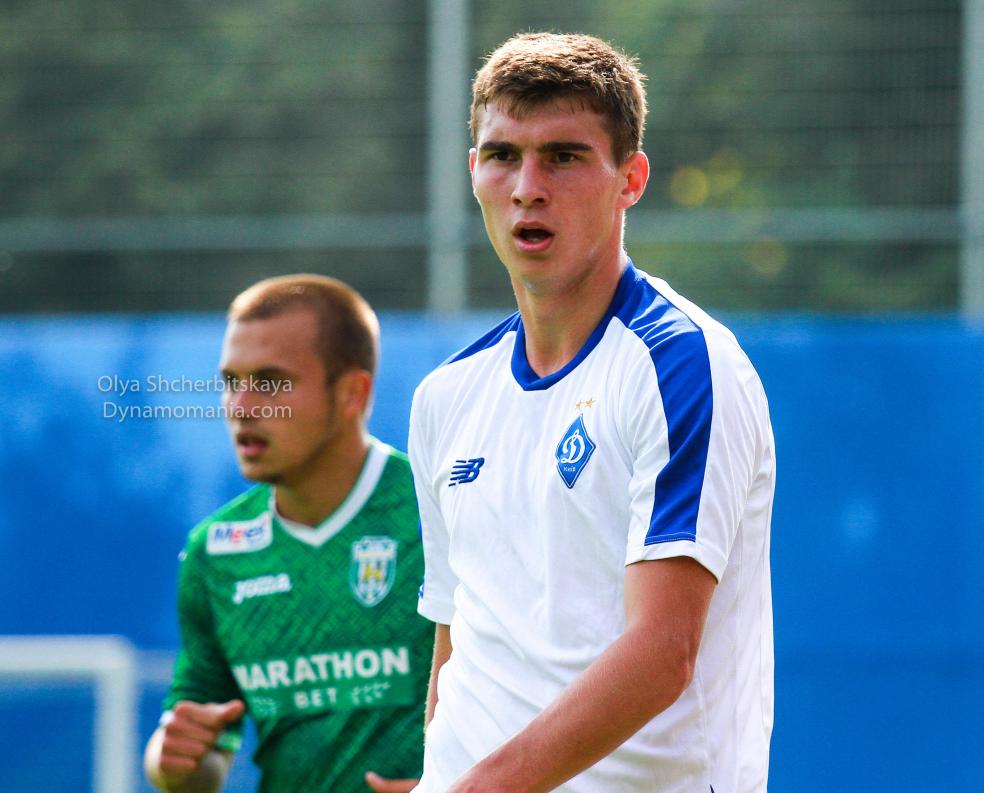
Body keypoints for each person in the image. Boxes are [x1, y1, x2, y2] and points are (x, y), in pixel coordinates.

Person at [385, 32, 775, 793]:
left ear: (631, 179)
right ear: (473, 172)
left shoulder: (683, 365)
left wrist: (482, 788)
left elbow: (663, 652)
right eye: (503, 156)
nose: (528, 187)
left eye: (563, 156)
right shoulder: (445, 395)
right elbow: (458, 640)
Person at [144, 274, 433, 793]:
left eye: (271, 383)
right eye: (231, 381)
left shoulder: (436, 513)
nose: (241, 406)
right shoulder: (217, 551)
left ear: (352, 393)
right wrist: (174, 762)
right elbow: (203, 749)